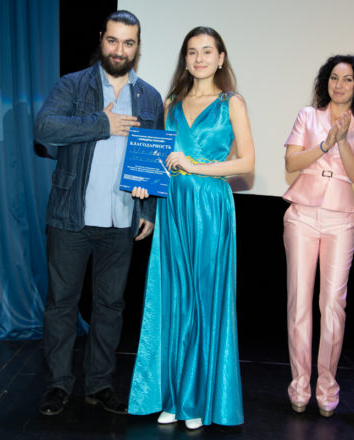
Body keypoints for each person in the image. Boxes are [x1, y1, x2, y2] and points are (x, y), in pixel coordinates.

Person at [33, 10, 164, 416]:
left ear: (137, 47)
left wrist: (148, 207)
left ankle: (99, 384)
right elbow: (44, 129)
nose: (119, 50)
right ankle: (58, 385)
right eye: (113, 40)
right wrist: (101, 123)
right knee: (61, 304)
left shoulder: (150, 97)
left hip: (121, 220)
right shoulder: (73, 85)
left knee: (110, 306)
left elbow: (153, 160)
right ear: (102, 39)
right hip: (71, 217)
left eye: (128, 43)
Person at [127, 26, 255, 430]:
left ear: (220, 58)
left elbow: (247, 164)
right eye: (192, 52)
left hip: (210, 207)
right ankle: (174, 395)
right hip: (174, 208)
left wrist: (195, 165)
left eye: (207, 51)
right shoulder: (171, 103)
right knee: (175, 299)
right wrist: (145, 181)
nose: (199, 58)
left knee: (203, 300)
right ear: (185, 59)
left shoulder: (232, 103)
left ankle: (197, 397)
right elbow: (158, 161)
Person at [283, 55, 354, 417]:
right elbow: (291, 163)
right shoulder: (308, 116)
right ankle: (299, 384)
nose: (339, 85)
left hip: (341, 217)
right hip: (302, 213)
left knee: (333, 305)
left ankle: (327, 386)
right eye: (334, 78)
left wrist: (342, 141)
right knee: (299, 301)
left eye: (348, 79)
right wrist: (325, 143)